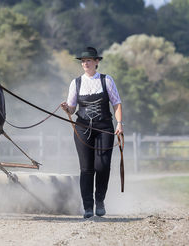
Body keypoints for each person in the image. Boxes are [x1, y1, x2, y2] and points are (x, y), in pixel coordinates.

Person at [61, 47, 123, 218]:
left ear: (97, 62)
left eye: (88, 60)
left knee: (102, 166)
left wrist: (119, 123)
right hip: (82, 128)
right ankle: (88, 206)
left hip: (104, 127)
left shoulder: (106, 80)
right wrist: (67, 108)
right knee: (86, 168)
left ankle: (100, 200)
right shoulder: (76, 83)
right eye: (83, 61)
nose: (85, 63)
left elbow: (116, 103)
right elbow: (72, 109)